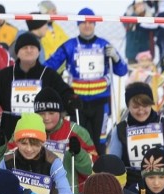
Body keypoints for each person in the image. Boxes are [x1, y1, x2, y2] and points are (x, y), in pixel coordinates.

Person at [0, 32, 78, 144]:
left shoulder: (49, 75)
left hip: (41, 132)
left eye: (32, 47)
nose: (29, 50)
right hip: (10, 132)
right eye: (24, 48)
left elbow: (63, 92)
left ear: (38, 51)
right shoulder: (6, 75)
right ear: (17, 52)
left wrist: (70, 100)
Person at [44, 8, 128, 154]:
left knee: (99, 142)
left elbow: (122, 71)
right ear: (78, 24)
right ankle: (80, 173)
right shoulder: (70, 45)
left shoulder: (104, 45)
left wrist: (116, 58)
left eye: (90, 22)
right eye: (83, 22)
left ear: (95, 24)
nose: (87, 25)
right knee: (79, 140)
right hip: (78, 103)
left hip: (100, 103)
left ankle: (99, 174)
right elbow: (48, 66)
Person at [107, 82, 164, 190]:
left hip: (161, 184)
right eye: (136, 107)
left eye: (145, 105)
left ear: (151, 104)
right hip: (132, 186)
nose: (141, 111)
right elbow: (113, 163)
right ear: (128, 106)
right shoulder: (120, 129)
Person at [0, 113, 73, 194]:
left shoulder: (52, 161)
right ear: (16, 141)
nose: (29, 149)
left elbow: (65, 192)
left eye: (35, 144)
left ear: (43, 142)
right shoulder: (8, 160)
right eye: (24, 143)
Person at [33, 87, 97, 194]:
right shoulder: (29, 131)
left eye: (51, 113)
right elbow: (7, 159)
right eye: (42, 113)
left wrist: (79, 153)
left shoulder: (76, 131)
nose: (46, 118)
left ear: (60, 112)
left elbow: (92, 170)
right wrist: (0, 146)